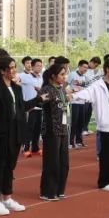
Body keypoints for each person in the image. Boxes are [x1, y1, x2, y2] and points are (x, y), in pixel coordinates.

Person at [0, 55, 42, 216]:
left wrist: (38, 99)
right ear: (2, 71)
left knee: (10, 167)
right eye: (11, 67)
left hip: (16, 132)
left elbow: (22, 107)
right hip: (1, 133)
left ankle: (7, 197)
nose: (14, 70)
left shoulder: (16, 88)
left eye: (15, 67)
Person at [70, 58, 109, 191]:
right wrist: (73, 96)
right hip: (106, 123)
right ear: (108, 69)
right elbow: (87, 93)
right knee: (107, 154)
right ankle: (104, 182)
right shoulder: (98, 85)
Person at [38, 62, 71, 200]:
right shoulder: (47, 89)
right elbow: (39, 101)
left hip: (63, 129)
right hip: (51, 130)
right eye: (62, 74)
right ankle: (48, 192)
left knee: (64, 163)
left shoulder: (61, 89)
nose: (64, 77)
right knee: (52, 162)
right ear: (53, 76)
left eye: (65, 74)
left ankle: (59, 190)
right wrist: (40, 98)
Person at [18, 58, 44, 157]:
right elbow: (14, 80)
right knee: (29, 129)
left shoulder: (41, 77)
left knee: (37, 129)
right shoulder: (25, 76)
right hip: (30, 108)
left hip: (40, 107)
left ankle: (35, 148)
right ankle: (25, 148)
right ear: (32, 67)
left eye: (41, 65)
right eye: (37, 65)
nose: (39, 67)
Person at [67, 60, 90, 149]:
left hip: (82, 102)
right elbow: (66, 85)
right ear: (79, 66)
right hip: (74, 102)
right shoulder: (72, 74)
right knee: (74, 122)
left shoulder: (85, 77)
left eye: (87, 68)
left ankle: (79, 141)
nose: (85, 69)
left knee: (81, 122)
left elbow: (87, 87)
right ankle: (70, 142)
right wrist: (69, 93)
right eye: (84, 67)